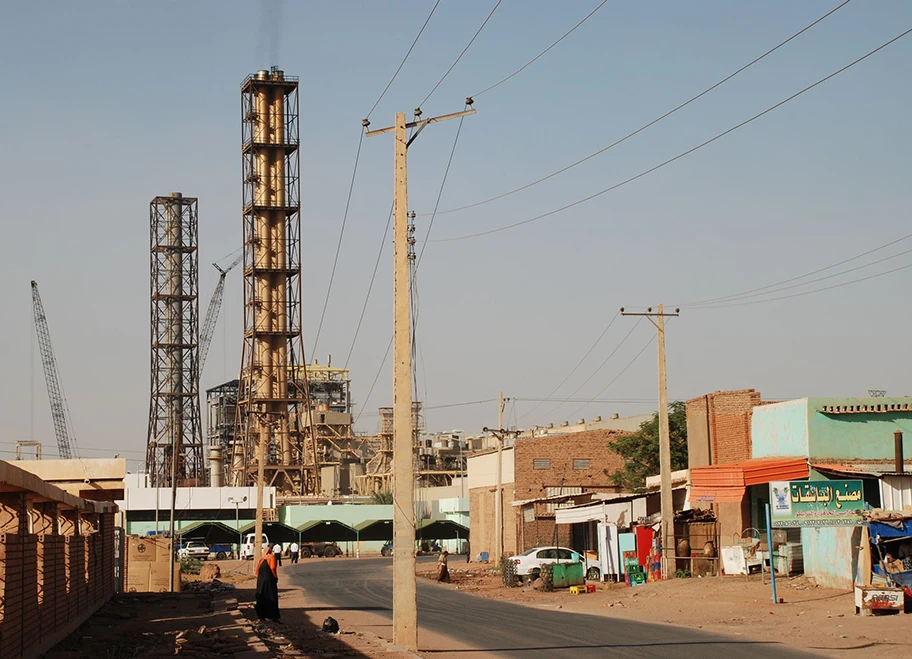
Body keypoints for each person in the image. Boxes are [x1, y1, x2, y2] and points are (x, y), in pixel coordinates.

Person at [255, 544, 280, 621]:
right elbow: (273, 569)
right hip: (269, 581)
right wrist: (275, 577)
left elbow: (256, 571)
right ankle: (273, 616)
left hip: (260, 581)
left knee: (261, 596)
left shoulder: (261, 559)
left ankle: (261, 615)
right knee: (271, 596)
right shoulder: (272, 558)